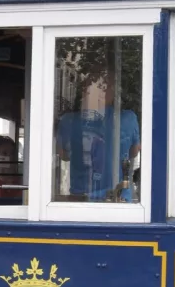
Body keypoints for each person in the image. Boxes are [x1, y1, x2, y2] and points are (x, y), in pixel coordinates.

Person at [55, 71, 141, 202]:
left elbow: (63, 155)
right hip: (119, 198)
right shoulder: (128, 119)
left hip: (81, 198)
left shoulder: (69, 121)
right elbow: (134, 152)